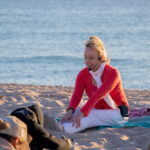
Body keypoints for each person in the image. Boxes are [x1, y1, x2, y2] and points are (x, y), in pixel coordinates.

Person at [47, 35, 129, 133]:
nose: (87, 62)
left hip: (118, 113)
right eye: (85, 57)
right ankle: (58, 125)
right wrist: (70, 110)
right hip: (100, 110)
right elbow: (77, 95)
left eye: (91, 58)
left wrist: (83, 112)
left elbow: (98, 95)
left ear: (101, 58)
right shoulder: (83, 74)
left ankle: (64, 129)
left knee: (89, 115)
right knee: (76, 112)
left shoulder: (113, 73)